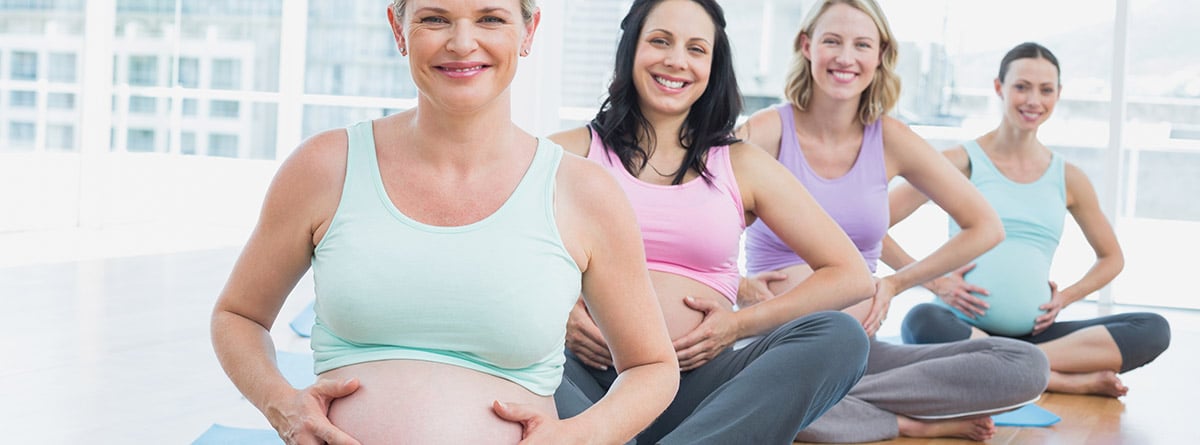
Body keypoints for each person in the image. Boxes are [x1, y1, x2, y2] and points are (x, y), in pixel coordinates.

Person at [209, 1, 680, 444]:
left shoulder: (585, 193)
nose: (461, 43)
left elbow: (652, 367)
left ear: (528, 31)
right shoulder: (325, 167)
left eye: (490, 18)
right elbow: (238, 316)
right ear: (399, 29)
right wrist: (282, 406)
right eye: (435, 18)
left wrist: (577, 436)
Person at [547, 0, 874, 443]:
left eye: (697, 49)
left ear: (713, 64)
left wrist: (737, 326)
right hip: (582, 380)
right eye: (660, 41)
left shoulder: (742, 164)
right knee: (502, 355)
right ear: (631, 49)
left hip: (698, 389)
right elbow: (490, 256)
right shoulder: (563, 153)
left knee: (841, 337)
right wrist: (561, 312)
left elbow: (851, 276)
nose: (676, 61)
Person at [736, 1, 1048, 442]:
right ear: (806, 46)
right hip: (774, 346)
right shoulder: (767, 131)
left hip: (860, 353)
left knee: (1025, 365)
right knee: (752, 385)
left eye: (862, 44)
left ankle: (828, 400)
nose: (846, 57)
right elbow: (695, 221)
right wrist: (737, 285)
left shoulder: (892, 139)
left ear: (880, 54)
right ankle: (902, 420)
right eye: (832, 41)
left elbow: (986, 226)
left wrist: (896, 282)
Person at [892, 42, 1171, 398]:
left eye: (1046, 90)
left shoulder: (1069, 178)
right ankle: (1059, 379)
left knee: (1152, 328)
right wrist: (935, 283)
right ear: (999, 88)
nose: (1033, 100)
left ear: (1058, 95)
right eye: (1021, 87)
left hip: (1036, 330)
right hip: (959, 324)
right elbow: (873, 224)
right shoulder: (959, 162)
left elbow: (1112, 257)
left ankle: (1016, 365)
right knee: (920, 322)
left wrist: (1066, 298)